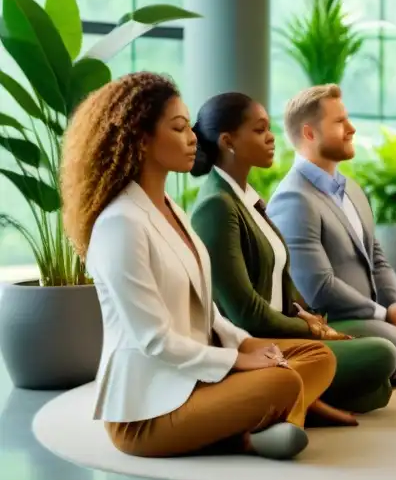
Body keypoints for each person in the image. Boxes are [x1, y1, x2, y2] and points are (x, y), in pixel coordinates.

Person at [60, 72, 336, 460]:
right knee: (283, 382)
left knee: (316, 356)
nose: (192, 137)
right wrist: (239, 361)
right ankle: (263, 424)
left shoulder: (173, 210)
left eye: (190, 126)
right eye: (178, 128)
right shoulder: (120, 224)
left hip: (200, 377)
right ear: (140, 139)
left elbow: (207, 313)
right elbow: (154, 340)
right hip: (149, 411)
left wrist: (248, 343)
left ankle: (263, 420)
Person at [189, 92, 396, 420]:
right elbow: (246, 312)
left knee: (378, 386)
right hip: (258, 344)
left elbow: (280, 276)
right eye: (259, 131)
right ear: (228, 141)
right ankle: (282, 396)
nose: (272, 137)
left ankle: (298, 396)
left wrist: (309, 315)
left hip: (285, 329)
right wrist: (309, 331)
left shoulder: (248, 198)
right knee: (382, 353)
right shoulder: (217, 206)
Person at [266, 84, 396, 387]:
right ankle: (394, 355)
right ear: (309, 134)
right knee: (389, 337)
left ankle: (393, 359)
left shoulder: (352, 190)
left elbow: (378, 260)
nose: (351, 128)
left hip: (377, 312)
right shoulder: (294, 199)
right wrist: (385, 316)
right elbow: (319, 288)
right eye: (339, 122)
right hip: (334, 320)